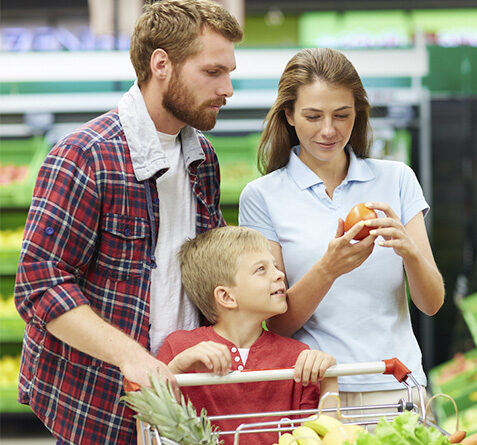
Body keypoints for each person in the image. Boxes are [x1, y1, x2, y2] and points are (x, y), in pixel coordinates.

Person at [13, 1, 242, 443]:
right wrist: (133, 357)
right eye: (213, 72)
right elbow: (41, 284)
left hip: (182, 399)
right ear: (162, 64)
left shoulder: (202, 159)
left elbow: (205, 271)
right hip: (98, 403)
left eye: (229, 72)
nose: (227, 88)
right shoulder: (86, 155)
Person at [238, 48, 445, 410]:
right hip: (316, 395)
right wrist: (329, 268)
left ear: (358, 114)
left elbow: (431, 304)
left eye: (342, 115)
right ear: (288, 114)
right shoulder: (262, 196)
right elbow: (278, 326)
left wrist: (408, 252)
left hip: (398, 388)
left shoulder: (396, 179)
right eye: (313, 116)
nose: (328, 130)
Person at [157, 226, 337, 444]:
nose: (279, 274)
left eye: (276, 266)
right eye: (261, 269)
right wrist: (177, 367)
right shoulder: (180, 347)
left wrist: (329, 378)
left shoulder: (298, 356)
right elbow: (155, 420)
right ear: (226, 296)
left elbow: (319, 436)